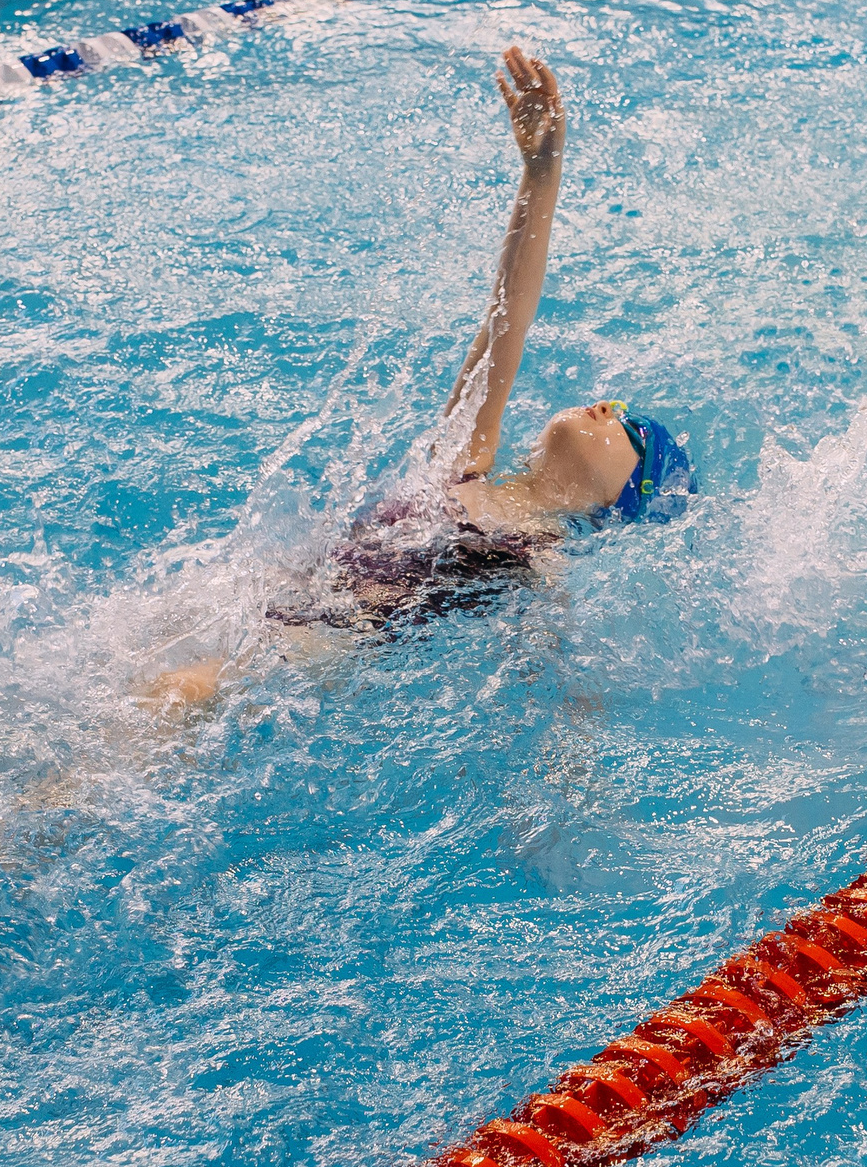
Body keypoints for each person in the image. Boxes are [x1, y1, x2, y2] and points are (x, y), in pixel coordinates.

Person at [141, 46, 693, 708]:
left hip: (315, 645)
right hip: (267, 599)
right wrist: (541, 173)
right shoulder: (468, 462)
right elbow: (504, 319)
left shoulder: (539, 557)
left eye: (631, 426)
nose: (609, 405)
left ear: (622, 497)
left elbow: (563, 676)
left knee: (178, 694)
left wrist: (572, 759)